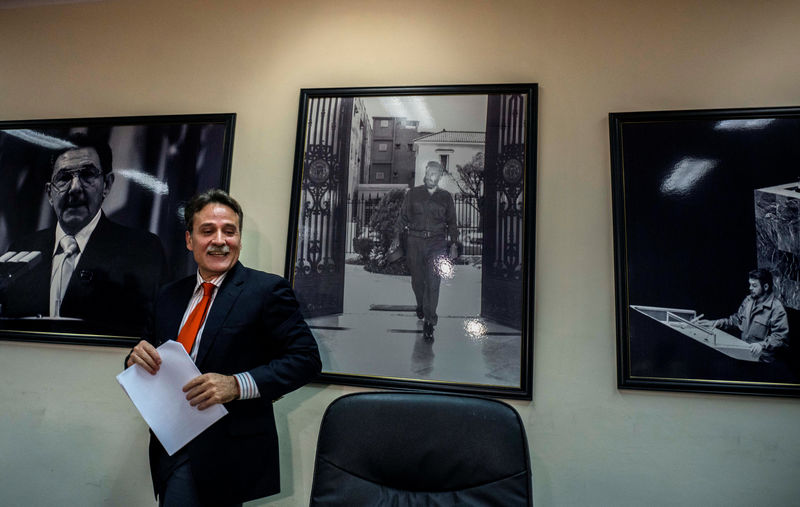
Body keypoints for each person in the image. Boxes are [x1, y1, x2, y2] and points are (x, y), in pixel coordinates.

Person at [125, 189, 321, 506]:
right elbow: (147, 358)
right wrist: (134, 359)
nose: (220, 240)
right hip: (168, 446)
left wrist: (235, 384)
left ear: (239, 238)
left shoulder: (267, 290)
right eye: (208, 231)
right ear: (189, 240)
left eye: (229, 231)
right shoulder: (168, 295)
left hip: (225, 452)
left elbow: (307, 360)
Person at [0, 133, 166, 336]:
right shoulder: (22, 249)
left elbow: (152, 333)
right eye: (64, 178)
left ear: (106, 185)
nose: (75, 188)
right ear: (49, 193)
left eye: (87, 175)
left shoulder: (142, 250)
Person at [392, 161, 458, 340]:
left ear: (440, 177)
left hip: (437, 244)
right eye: (428, 173)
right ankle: (421, 304)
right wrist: (396, 238)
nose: (430, 176)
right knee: (417, 282)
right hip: (415, 242)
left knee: (433, 283)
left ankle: (430, 321)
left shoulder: (446, 197)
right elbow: (402, 218)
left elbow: (452, 222)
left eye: (434, 174)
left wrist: (453, 243)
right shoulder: (413, 194)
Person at [695, 268, 789, 362]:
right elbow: (736, 321)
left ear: (765, 287)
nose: (750, 288)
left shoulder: (777, 309)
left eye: (754, 285)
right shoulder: (749, 300)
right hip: (744, 354)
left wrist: (761, 345)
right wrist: (715, 323)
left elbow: (780, 338)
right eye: (750, 284)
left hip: (762, 360)